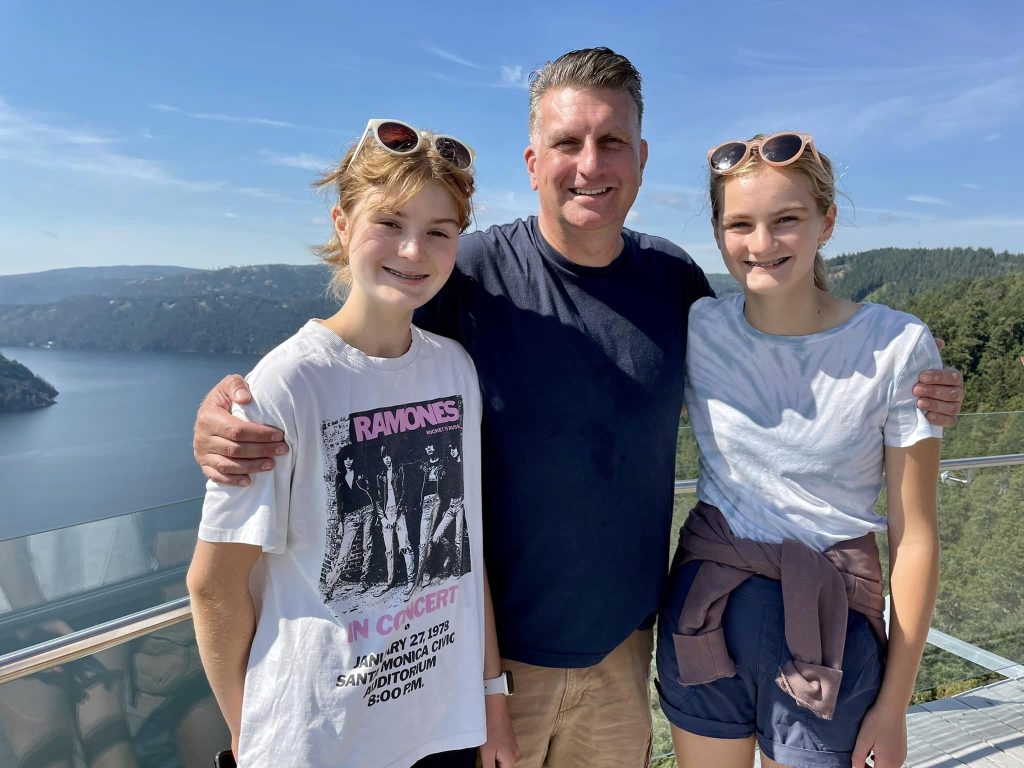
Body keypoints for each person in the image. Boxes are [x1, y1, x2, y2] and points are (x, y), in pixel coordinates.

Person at [191, 49, 964, 767]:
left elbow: (781, 349)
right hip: (486, 663)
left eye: (611, 142)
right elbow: (359, 347)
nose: (588, 166)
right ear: (533, 162)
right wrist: (232, 406)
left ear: (641, 158)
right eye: (567, 143)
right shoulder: (468, 271)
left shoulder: (674, 283)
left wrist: (915, 382)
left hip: (627, 648)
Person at [186, 119, 517, 768]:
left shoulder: (454, 369)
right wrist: (249, 736)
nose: (413, 251)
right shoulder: (289, 382)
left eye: (438, 232)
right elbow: (213, 587)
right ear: (342, 224)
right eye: (389, 223)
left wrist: (492, 700)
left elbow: (461, 550)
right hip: (323, 743)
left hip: (442, 731)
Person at [656, 133, 941, 768]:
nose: (762, 244)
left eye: (786, 220)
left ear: (827, 222)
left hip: (831, 623)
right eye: (741, 224)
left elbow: (915, 536)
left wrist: (895, 705)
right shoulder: (699, 328)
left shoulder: (896, 347)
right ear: (719, 232)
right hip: (708, 609)